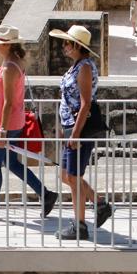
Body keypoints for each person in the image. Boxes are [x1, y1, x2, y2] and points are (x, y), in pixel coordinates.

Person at [0, 24, 58, 222]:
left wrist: (2, 131)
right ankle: (45, 194)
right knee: (11, 163)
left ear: (8, 45)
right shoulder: (12, 62)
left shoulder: (9, 67)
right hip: (13, 122)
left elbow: (8, 101)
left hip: (3, 124)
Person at [49, 24, 113, 240]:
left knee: (73, 177)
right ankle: (99, 203)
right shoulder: (77, 66)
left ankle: (80, 225)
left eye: (67, 43)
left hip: (80, 129)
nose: (64, 46)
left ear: (77, 45)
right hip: (71, 127)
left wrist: (75, 133)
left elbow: (85, 103)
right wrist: (64, 128)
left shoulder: (84, 67)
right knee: (66, 175)